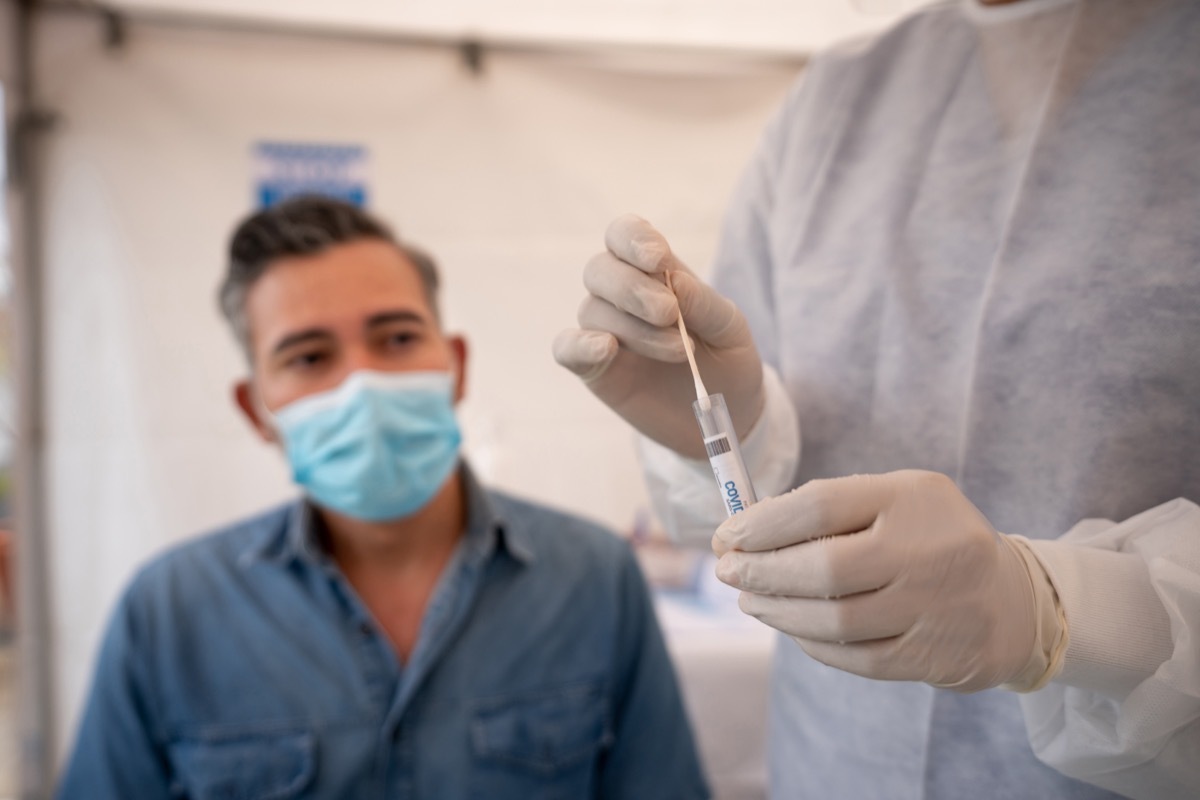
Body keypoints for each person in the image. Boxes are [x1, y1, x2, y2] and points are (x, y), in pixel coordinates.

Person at [553, 0, 1200, 798]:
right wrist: (734, 429)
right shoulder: (835, 104)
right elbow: (741, 517)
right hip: (830, 763)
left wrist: (1064, 618)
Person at [59, 196, 709, 799]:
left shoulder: (594, 578)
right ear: (255, 410)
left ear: (455, 365)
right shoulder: (168, 614)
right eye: (309, 356)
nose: (362, 383)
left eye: (397, 339)